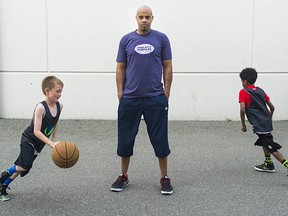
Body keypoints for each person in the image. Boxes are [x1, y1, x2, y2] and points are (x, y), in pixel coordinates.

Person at [111, 5, 173, 195]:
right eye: (141, 17)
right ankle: (124, 175)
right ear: (136, 18)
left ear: (152, 18)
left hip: (155, 98)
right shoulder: (126, 40)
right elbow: (120, 68)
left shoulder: (161, 39)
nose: (144, 20)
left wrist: (166, 93)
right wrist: (120, 93)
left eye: (147, 17)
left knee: (160, 139)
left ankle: (164, 178)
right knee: (125, 139)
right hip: (130, 99)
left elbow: (168, 67)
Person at [0, 75, 64, 201]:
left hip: (39, 143)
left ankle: (3, 187)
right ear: (47, 91)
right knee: (25, 166)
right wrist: (51, 143)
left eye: (61, 91)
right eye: (57, 91)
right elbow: (36, 131)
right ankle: (4, 174)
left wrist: (54, 139)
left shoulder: (59, 106)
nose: (60, 94)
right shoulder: (40, 108)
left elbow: (56, 122)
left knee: (20, 167)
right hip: (29, 139)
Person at [239, 68, 288, 173]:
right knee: (263, 142)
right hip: (266, 123)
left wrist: (243, 125)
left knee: (272, 148)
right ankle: (268, 163)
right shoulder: (260, 90)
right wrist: (269, 117)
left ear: (245, 81)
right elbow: (272, 107)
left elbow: (242, 110)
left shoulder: (243, 92)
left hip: (260, 125)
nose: (242, 83)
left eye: (242, 81)